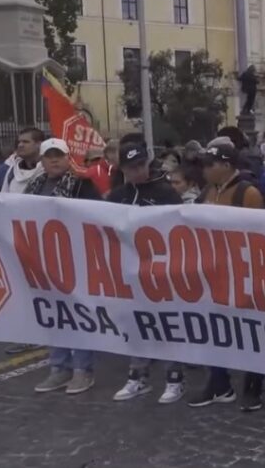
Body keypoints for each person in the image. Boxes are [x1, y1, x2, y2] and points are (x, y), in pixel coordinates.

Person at [104, 142, 186, 403]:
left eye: (141, 165)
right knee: (135, 323)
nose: (138, 171)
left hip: (160, 269)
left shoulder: (165, 192)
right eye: (131, 167)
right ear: (123, 169)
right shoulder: (117, 195)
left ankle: (174, 378)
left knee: (166, 324)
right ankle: (137, 376)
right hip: (130, 270)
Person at [187, 143, 265, 409]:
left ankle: (253, 385)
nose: (205, 170)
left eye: (210, 165)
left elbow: (259, 235)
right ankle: (219, 383)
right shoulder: (208, 191)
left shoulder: (248, 193)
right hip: (214, 272)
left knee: (250, 330)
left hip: (243, 273)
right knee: (215, 329)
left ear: (227, 166)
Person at [27, 139, 100, 395]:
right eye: (49, 156)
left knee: (77, 314)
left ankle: (82, 369)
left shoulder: (82, 185)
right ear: (42, 160)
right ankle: (59, 368)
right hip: (43, 259)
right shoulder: (34, 186)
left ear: (69, 158)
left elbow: (96, 217)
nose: (54, 160)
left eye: (58, 155)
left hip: (75, 259)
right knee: (53, 315)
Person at [0, 127, 45, 194]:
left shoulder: (48, 170)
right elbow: (5, 195)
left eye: (25, 142)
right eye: (19, 142)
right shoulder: (12, 171)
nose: (20, 145)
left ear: (39, 144)